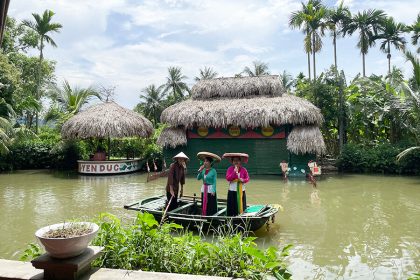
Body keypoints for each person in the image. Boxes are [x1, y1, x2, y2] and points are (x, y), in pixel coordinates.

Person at [197, 152, 221, 216]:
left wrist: (213, 190)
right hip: (204, 188)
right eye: (204, 161)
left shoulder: (213, 171)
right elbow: (198, 178)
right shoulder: (203, 170)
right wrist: (200, 171)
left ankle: (211, 215)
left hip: (210, 189)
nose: (205, 162)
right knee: (204, 202)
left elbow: (214, 181)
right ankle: (204, 214)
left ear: (210, 163)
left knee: (211, 203)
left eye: (207, 161)